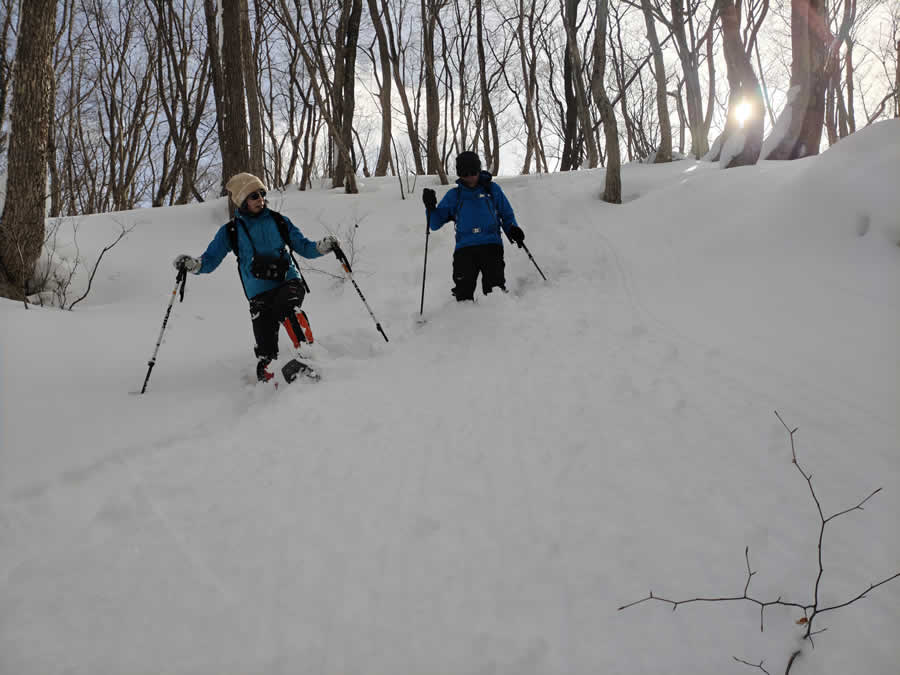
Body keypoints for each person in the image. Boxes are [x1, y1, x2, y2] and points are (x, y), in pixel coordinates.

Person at [173, 172, 339, 383]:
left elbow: (304, 247)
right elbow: (209, 260)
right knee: (265, 349)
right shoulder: (231, 231)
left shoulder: (279, 221)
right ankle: (271, 385)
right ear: (242, 201)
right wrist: (193, 265)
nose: (260, 199)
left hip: (288, 280)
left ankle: (309, 357)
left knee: (287, 307)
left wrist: (322, 247)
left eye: (262, 193)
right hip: (258, 293)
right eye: (253, 196)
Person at [422, 151, 524, 301]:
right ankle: (465, 320)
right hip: (465, 249)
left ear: (479, 170)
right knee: (463, 293)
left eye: (473, 172)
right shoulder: (454, 195)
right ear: (459, 173)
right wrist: (430, 208)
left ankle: (500, 320)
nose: (469, 176)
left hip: (491, 245)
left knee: (495, 291)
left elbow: (506, 215)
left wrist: (513, 229)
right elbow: (435, 224)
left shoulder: (492, 189)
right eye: (464, 173)